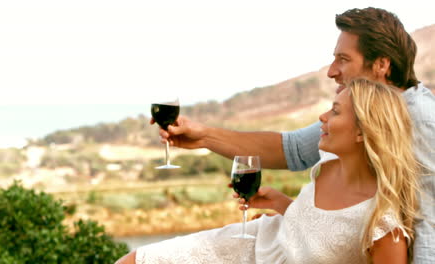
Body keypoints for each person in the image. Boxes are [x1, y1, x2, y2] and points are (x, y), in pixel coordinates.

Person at [154, 7, 435, 263]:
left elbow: (429, 223)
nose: (332, 72)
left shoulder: (420, 117)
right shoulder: (356, 113)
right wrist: (204, 137)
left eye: (343, 59)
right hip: (283, 242)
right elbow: (293, 149)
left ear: (381, 65)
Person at [116, 78, 420, 263]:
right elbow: (321, 231)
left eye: (336, 111)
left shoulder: (383, 226)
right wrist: (279, 202)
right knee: (134, 260)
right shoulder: (326, 164)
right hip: (253, 244)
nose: (323, 116)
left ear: (362, 132)